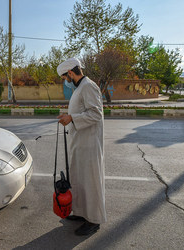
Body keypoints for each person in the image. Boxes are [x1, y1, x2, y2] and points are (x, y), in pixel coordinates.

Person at [56, 58, 107, 236]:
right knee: (79, 180)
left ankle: (94, 220)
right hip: (80, 142)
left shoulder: (88, 86)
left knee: (90, 182)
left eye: (64, 77)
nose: (65, 81)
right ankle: (80, 213)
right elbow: (81, 111)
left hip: (89, 143)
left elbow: (95, 114)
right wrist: (69, 116)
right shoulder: (81, 87)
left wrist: (71, 118)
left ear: (70, 73)